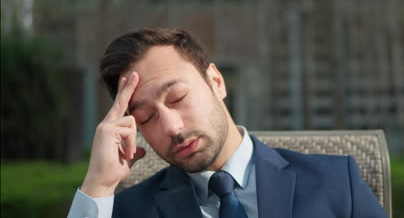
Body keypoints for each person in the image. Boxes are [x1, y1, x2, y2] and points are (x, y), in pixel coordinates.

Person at [68, 27, 387, 218]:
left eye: (178, 98)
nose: (172, 128)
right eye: (147, 117)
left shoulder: (334, 182)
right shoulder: (127, 210)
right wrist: (98, 185)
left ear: (216, 81)